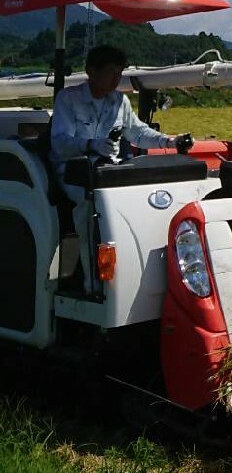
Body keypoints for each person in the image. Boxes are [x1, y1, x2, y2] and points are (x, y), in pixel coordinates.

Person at [49, 44, 192, 292]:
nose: (116, 79)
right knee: (91, 207)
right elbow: (60, 144)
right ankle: (92, 283)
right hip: (72, 173)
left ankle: (133, 275)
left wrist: (170, 141)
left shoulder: (119, 101)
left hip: (108, 172)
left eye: (119, 73)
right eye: (110, 73)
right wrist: (91, 145)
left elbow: (138, 133)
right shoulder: (68, 99)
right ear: (91, 71)